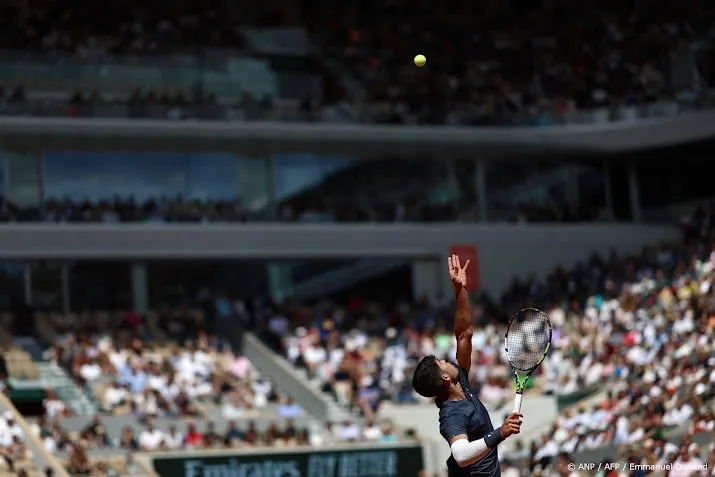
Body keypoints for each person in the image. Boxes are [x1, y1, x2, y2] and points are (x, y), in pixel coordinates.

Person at [412, 254, 522, 477]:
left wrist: (460, 290)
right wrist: (500, 432)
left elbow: (464, 334)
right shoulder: (451, 415)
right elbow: (461, 456)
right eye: (442, 363)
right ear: (445, 378)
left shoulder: (460, 380)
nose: (447, 361)